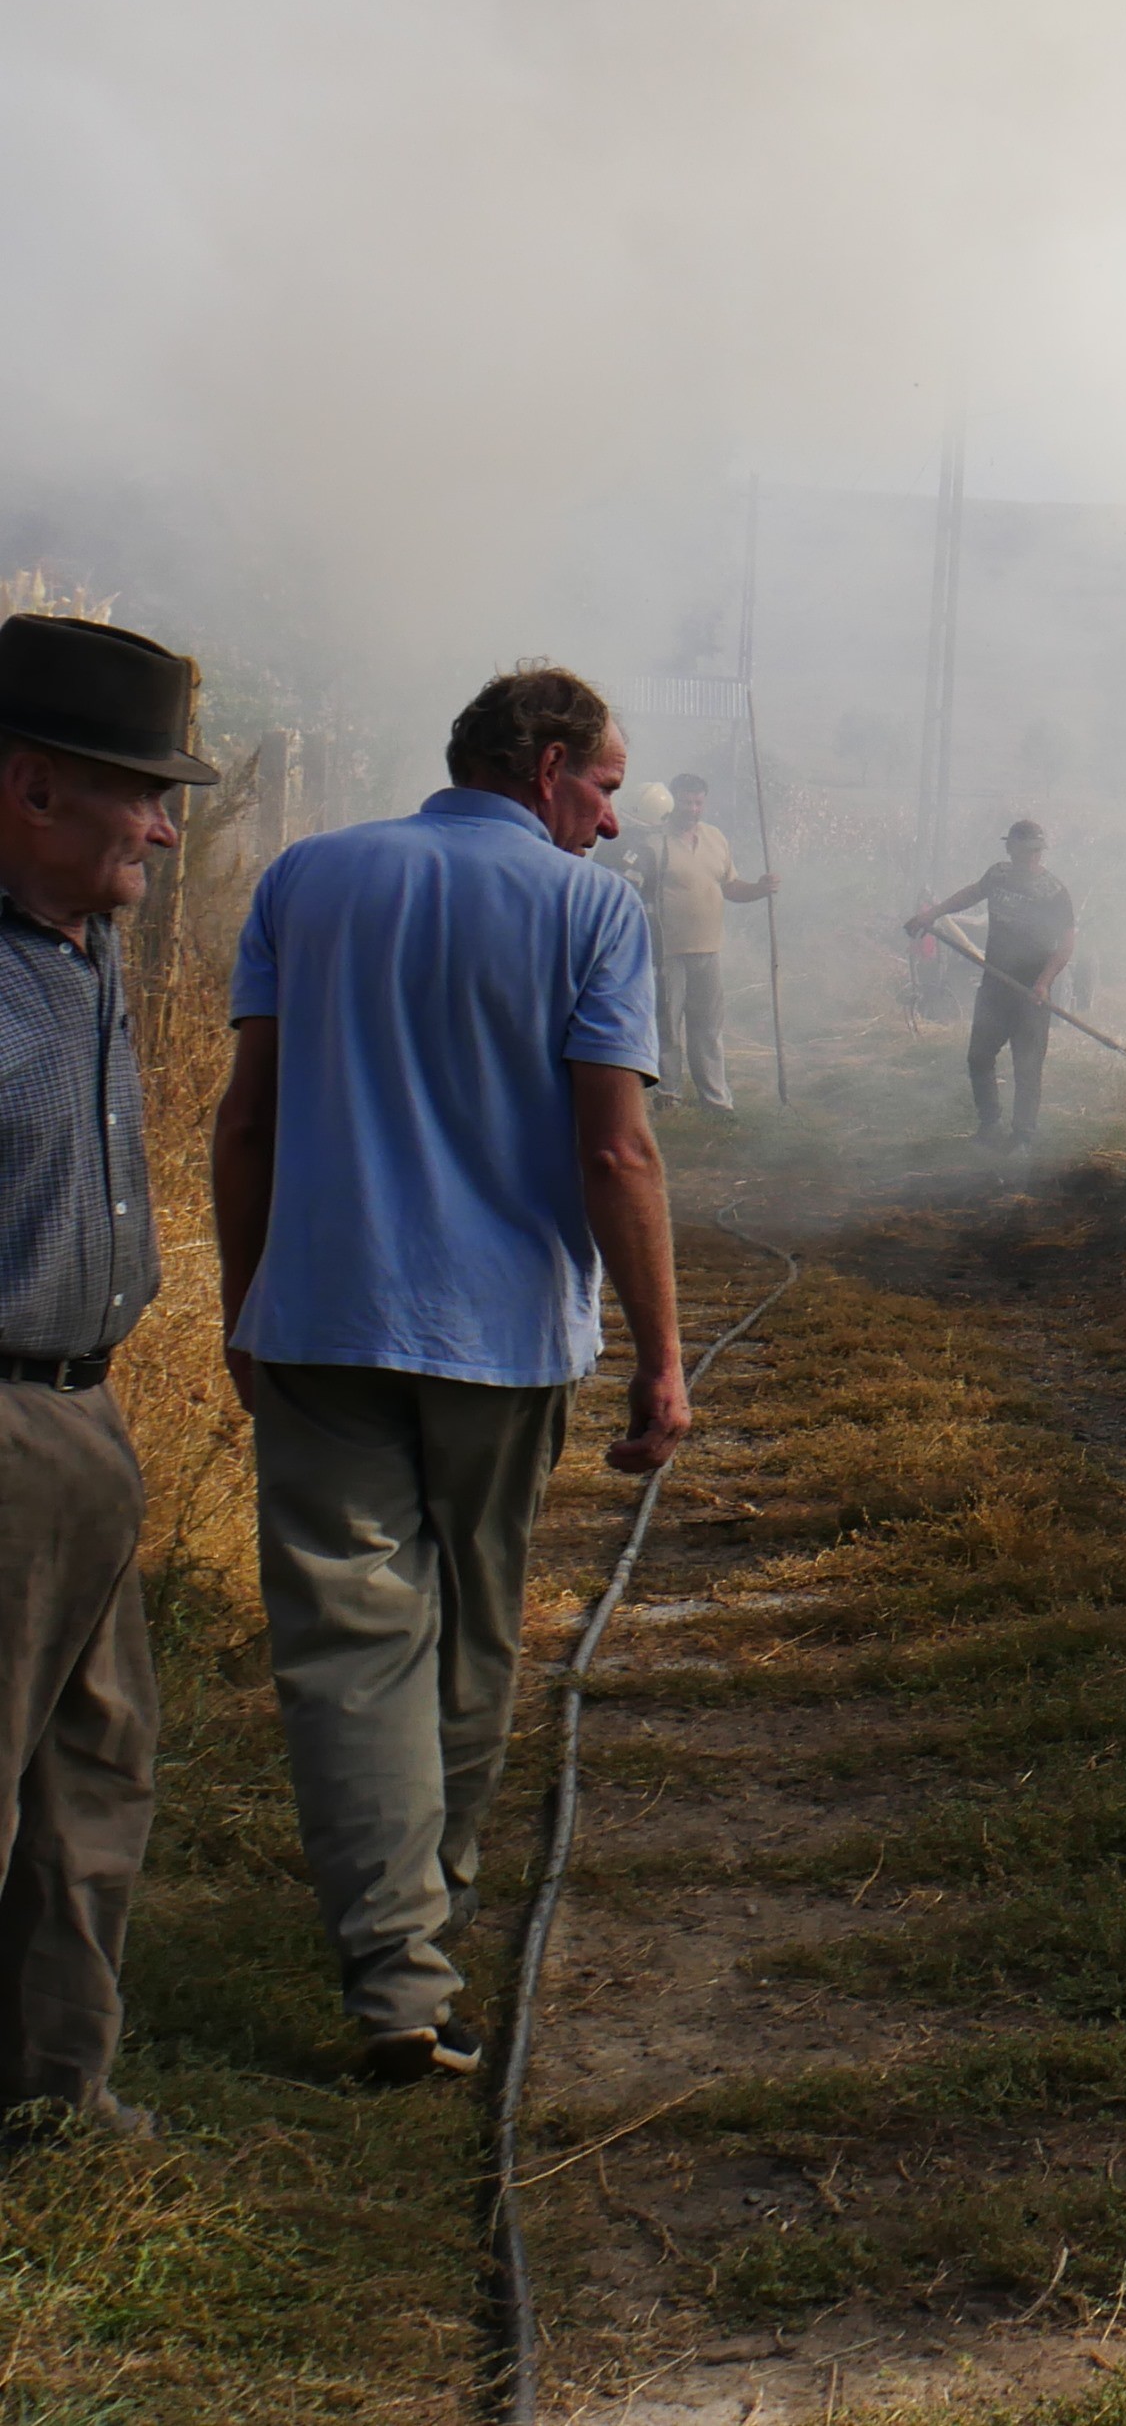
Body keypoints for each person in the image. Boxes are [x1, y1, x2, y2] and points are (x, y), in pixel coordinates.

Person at [212, 663, 685, 2087]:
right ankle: (438, 1925)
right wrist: (662, 1356)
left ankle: (394, 1974)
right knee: (474, 1631)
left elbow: (248, 1123)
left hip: (317, 1322)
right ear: (547, 767)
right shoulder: (589, 910)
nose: (613, 820)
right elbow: (615, 1149)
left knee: (346, 1647)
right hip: (498, 1338)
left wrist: (247, 1306)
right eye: (605, 785)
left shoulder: (306, 878)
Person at [0, 614, 212, 2139]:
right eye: (143, 790)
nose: (166, 825)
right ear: (33, 789)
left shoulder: (87, 943)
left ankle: (55, 2097)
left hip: (84, 1406)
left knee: (95, 1761)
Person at [903, 819, 1073, 1151]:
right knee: (979, 1057)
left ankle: (1022, 1137)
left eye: (1036, 851)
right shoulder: (997, 876)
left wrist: (1043, 983)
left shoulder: (1053, 892)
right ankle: (989, 1125)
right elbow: (972, 893)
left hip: (1031, 993)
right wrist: (932, 914)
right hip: (995, 986)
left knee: (1027, 1067)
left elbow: (1066, 944)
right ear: (1010, 848)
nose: (1031, 857)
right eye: (1024, 850)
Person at [641, 773, 773, 1113]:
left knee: (708, 1028)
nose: (693, 809)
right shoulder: (654, 842)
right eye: (686, 802)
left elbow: (731, 887)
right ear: (672, 802)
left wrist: (759, 889)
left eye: (698, 802)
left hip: (708, 949)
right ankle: (668, 1096)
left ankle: (715, 1099)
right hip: (666, 952)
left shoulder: (715, 838)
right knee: (668, 1027)